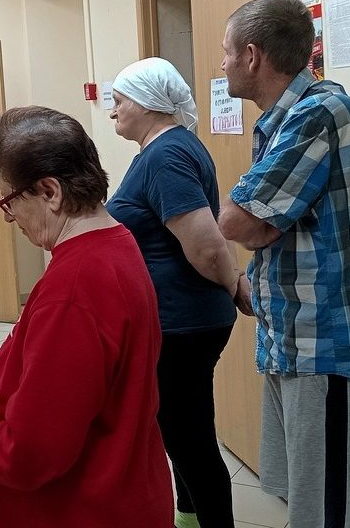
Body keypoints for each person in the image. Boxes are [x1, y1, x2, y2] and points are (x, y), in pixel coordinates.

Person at [0, 106, 175, 527]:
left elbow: (29, 455)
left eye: (8, 200)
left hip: (78, 508)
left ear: (49, 192)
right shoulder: (115, 243)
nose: (7, 215)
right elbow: (89, 375)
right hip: (122, 491)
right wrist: (4, 372)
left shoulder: (74, 286)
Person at [216, 0, 350, 528]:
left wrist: (244, 225)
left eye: (227, 52)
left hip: (326, 342)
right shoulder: (284, 121)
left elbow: (241, 222)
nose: (222, 64)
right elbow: (264, 225)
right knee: (310, 496)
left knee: (333, 507)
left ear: (252, 55)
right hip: (294, 337)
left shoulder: (318, 114)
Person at [106, 57, 252, 528]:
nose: (113, 111)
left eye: (119, 100)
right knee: (184, 433)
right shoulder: (166, 149)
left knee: (189, 441)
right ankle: (189, 518)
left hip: (184, 322)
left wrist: (234, 283)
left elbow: (206, 246)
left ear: (147, 102)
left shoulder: (166, 155)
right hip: (182, 318)